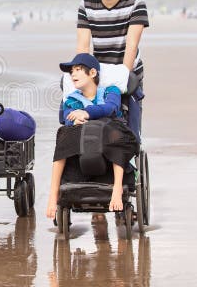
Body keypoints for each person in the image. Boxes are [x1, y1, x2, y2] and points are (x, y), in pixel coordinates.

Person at [45, 53, 139, 217]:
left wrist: (86, 113)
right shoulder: (72, 99)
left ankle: (117, 189)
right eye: (71, 71)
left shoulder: (110, 90)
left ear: (93, 73)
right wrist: (73, 121)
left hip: (109, 137)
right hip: (84, 146)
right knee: (64, 134)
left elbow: (110, 108)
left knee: (116, 134)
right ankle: (53, 195)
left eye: (78, 69)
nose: (73, 74)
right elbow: (66, 116)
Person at [76, 0, 149, 139]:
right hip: (99, 73)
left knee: (128, 127)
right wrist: (80, 74)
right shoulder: (87, 5)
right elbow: (83, 46)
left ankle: (131, 155)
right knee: (84, 115)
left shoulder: (135, 3)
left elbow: (132, 44)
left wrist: (123, 75)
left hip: (128, 70)